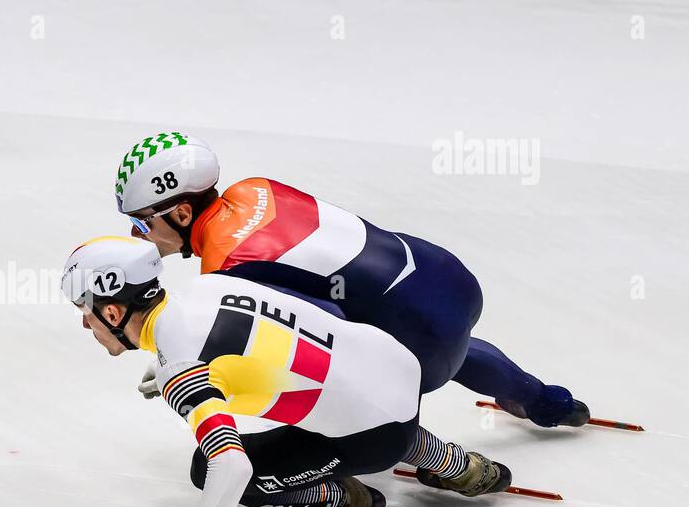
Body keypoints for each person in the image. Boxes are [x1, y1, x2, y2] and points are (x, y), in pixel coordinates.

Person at [61, 236, 511, 507]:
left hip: (375, 432)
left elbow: (231, 468)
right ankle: (452, 463)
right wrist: (170, 367)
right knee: (346, 402)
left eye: (86, 311)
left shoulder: (182, 367)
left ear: (115, 312)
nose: (85, 322)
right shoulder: (206, 286)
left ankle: (340, 495)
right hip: (389, 361)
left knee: (209, 471)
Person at [113, 133, 588, 427]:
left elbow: (327, 332)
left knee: (312, 373)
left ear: (179, 212)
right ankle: (545, 401)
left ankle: (434, 459)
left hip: (424, 343)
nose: (139, 237)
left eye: (140, 223)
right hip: (445, 276)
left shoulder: (225, 267)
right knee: (425, 331)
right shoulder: (254, 189)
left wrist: (189, 361)